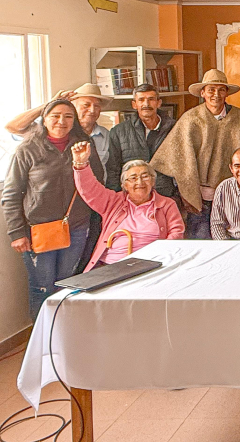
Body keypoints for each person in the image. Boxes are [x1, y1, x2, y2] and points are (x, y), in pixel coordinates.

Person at [1, 100, 104, 320]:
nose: (61, 121)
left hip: (76, 227)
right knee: (42, 287)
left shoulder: (84, 145)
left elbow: (97, 183)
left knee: (68, 284)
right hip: (39, 231)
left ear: (74, 120)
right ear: (44, 119)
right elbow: (10, 195)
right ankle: (41, 341)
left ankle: (62, 336)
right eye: (55, 115)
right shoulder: (27, 149)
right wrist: (17, 233)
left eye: (68, 116)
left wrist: (81, 163)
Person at [150, 69, 240, 240]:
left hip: (233, 197)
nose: (216, 94)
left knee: (233, 241)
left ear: (226, 93)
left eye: (221, 89)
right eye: (211, 89)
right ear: (202, 93)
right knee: (201, 241)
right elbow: (179, 158)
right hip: (200, 198)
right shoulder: (190, 119)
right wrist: (187, 193)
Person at [71, 141, 184, 269]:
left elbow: (176, 232)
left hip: (151, 264)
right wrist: (81, 165)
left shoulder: (166, 204)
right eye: (133, 178)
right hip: (112, 265)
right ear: (124, 185)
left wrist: (158, 256)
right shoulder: (113, 202)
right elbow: (89, 189)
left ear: (153, 181)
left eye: (145, 176)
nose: (140, 182)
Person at [5, 83, 113, 171]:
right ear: (73, 106)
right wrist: (49, 105)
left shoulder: (106, 135)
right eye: (86, 105)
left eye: (97, 106)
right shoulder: (49, 130)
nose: (92, 110)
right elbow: (12, 126)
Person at [106, 83, 176, 197]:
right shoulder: (119, 132)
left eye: (151, 99)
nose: (146, 104)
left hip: (166, 196)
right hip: (131, 198)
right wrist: (116, 199)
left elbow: (183, 166)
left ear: (159, 103)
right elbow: (113, 170)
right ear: (134, 104)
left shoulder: (174, 128)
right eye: (141, 100)